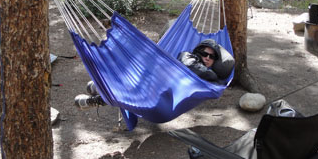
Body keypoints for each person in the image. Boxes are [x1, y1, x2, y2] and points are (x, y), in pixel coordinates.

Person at [74, 39, 235, 110]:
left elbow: (215, 87)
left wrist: (214, 78)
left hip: (166, 96)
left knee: (136, 93)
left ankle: (100, 96)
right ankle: (103, 91)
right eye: (204, 53)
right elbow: (191, 67)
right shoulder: (188, 56)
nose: (207, 58)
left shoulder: (209, 78)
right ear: (197, 51)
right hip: (156, 80)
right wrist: (212, 76)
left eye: (212, 57)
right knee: (136, 84)